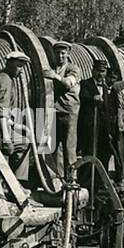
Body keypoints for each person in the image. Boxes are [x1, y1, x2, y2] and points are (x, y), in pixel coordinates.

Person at [45, 40, 82, 177]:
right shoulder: (52, 68)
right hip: (53, 113)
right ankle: (55, 180)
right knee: (51, 148)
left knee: (69, 149)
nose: (60, 56)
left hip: (68, 114)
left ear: (67, 54)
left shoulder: (73, 69)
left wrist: (55, 76)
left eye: (63, 53)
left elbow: (67, 83)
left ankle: (71, 180)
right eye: (57, 53)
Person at [0, 49, 29, 167]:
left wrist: (16, 125)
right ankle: (9, 181)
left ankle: (14, 181)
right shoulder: (5, 80)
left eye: (22, 67)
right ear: (9, 64)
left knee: (23, 142)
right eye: (19, 66)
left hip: (0, 124)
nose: (21, 70)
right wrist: (6, 139)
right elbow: (1, 111)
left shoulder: (4, 77)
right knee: (8, 150)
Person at [77, 54, 110, 174]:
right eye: (98, 71)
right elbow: (82, 98)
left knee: (103, 155)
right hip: (89, 128)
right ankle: (86, 184)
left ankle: (99, 184)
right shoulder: (85, 84)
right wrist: (92, 98)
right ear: (92, 70)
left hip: (101, 129)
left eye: (103, 71)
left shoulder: (106, 88)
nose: (100, 74)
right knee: (89, 155)